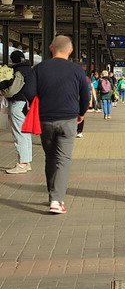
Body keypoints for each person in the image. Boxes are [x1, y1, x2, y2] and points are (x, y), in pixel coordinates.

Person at [24, 35, 90, 214]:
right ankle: (56, 200)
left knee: (50, 157)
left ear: (51, 48)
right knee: (63, 159)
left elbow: (29, 91)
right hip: (68, 119)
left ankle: (51, 194)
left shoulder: (39, 68)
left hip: (45, 119)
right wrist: (81, 113)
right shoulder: (77, 70)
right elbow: (86, 95)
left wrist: (40, 104)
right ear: (70, 50)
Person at [1, 50, 33, 174]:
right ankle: (26, 162)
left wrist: (3, 92)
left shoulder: (19, 71)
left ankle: (22, 163)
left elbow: (12, 90)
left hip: (18, 104)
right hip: (26, 104)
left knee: (19, 133)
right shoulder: (29, 70)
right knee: (25, 133)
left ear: (13, 60)